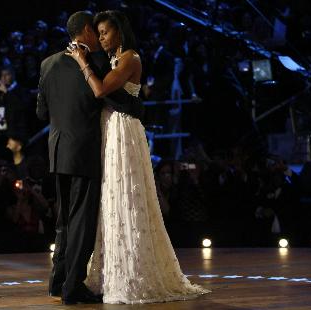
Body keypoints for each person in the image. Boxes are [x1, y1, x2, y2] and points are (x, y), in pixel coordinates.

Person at [66, 10, 210, 304]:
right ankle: (112, 271)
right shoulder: (112, 59)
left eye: (105, 32)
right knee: (111, 198)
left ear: (119, 31)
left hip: (124, 132)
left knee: (126, 196)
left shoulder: (130, 57)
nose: (102, 38)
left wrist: (82, 62)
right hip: (111, 130)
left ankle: (135, 273)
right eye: (100, 33)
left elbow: (102, 89)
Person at [36, 11, 143, 305]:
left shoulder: (47, 63)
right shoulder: (94, 63)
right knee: (81, 223)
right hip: (84, 153)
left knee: (63, 222)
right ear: (86, 30)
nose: (100, 37)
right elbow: (110, 97)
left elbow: (41, 113)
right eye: (96, 32)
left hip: (57, 152)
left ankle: (57, 283)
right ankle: (72, 288)